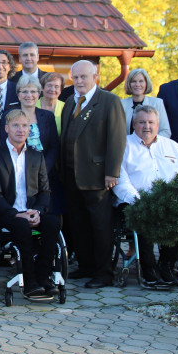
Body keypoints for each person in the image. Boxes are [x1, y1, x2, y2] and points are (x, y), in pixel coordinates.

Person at [60, 60, 126, 289]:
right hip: (71, 176)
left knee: (100, 226)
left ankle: (104, 273)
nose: (79, 81)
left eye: (83, 77)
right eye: (75, 77)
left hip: (97, 177)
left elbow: (117, 139)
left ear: (95, 76)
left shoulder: (109, 101)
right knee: (78, 224)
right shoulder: (70, 101)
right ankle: (87, 266)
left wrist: (112, 172)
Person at [0, 109, 61, 300]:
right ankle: (30, 281)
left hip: (32, 210)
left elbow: (45, 191)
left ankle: (44, 278)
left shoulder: (36, 156)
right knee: (21, 225)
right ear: (7, 128)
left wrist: (38, 212)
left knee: (53, 222)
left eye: (25, 126)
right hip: (6, 213)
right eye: (16, 125)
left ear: (30, 130)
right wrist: (15, 214)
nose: (20, 130)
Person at [113, 105, 178, 287]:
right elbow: (121, 181)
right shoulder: (123, 145)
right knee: (145, 216)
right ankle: (148, 269)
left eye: (151, 122)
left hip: (169, 201)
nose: (146, 126)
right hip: (134, 201)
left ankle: (166, 266)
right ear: (134, 124)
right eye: (142, 122)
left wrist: (177, 198)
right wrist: (142, 202)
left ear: (158, 125)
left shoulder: (172, 146)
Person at [4, 76, 62, 214]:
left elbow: (54, 146)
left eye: (33, 92)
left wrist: (43, 170)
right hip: (17, 174)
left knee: (48, 215)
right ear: (18, 94)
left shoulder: (47, 116)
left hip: (45, 175)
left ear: (38, 94)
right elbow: (3, 143)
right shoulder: (9, 115)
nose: (28, 95)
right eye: (24, 92)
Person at [120, 68, 171, 138]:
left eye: (141, 81)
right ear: (129, 84)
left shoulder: (157, 103)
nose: (137, 84)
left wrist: (150, 144)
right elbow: (117, 132)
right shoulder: (121, 104)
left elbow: (165, 131)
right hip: (129, 147)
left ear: (146, 83)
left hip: (152, 147)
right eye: (133, 81)